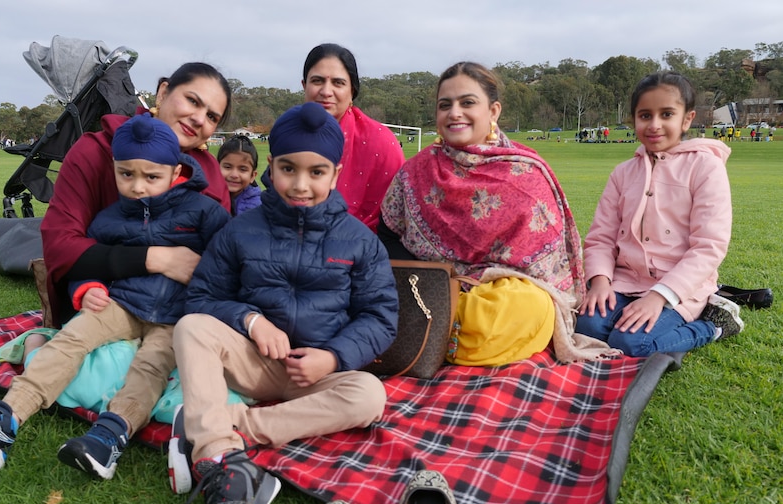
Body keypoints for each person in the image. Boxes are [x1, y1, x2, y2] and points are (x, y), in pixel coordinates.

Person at [0, 113, 231, 479]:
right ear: (115, 170)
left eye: (151, 177)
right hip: (121, 304)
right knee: (71, 337)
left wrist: (209, 309)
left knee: (151, 367)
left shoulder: (204, 212)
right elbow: (88, 266)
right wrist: (86, 289)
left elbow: (227, 262)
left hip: (177, 316)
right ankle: (3, 421)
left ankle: (109, 438)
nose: (138, 186)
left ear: (176, 173)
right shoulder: (108, 221)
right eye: (127, 174)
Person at [171, 102, 398, 504]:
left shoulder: (360, 240)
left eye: (316, 172)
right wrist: (252, 322)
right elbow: (201, 301)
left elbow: (380, 317)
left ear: (335, 175)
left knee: (370, 395)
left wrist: (332, 358)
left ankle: (225, 426)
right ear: (270, 168)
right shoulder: (240, 231)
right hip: (253, 364)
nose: (300, 184)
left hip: (316, 376)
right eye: (288, 168)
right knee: (192, 329)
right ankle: (223, 464)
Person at [379, 62, 599, 367]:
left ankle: (434, 341)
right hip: (434, 291)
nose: (454, 112)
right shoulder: (414, 172)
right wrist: (441, 282)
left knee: (528, 307)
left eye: (467, 102)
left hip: (503, 298)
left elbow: (546, 273)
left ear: (493, 111)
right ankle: (441, 336)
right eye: (445, 105)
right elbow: (387, 234)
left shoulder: (524, 171)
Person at [41, 62, 232, 328]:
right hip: (103, 308)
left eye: (212, 117)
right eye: (192, 101)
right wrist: (158, 259)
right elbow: (60, 248)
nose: (199, 119)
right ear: (163, 92)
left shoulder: (209, 175)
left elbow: (226, 258)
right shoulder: (96, 152)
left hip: (181, 318)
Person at [575, 71, 742, 357]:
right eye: (644, 115)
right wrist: (600, 281)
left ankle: (713, 325)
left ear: (686, 119)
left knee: (631, 343)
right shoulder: (623, 173)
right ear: (634, 119)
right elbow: (601, 237)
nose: (654, 125)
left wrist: (659, 297)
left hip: (680, 288)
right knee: (586, 328)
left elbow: (708, 246)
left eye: (666, 114)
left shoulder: (705, 167)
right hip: (625, 281)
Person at [298, 43, 405, 231]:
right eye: (317, 81)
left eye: (338, 83)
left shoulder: (380, 142)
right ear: (304, 86)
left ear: (352, 91)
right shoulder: (289, 136)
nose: (326, 91)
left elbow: (394, 218)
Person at [216, 134, 261, 216]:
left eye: (242, 169)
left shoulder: (258, 208)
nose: (234, 175)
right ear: (216, 168)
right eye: (227, 167)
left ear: (252, 176)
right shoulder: (207, 196)